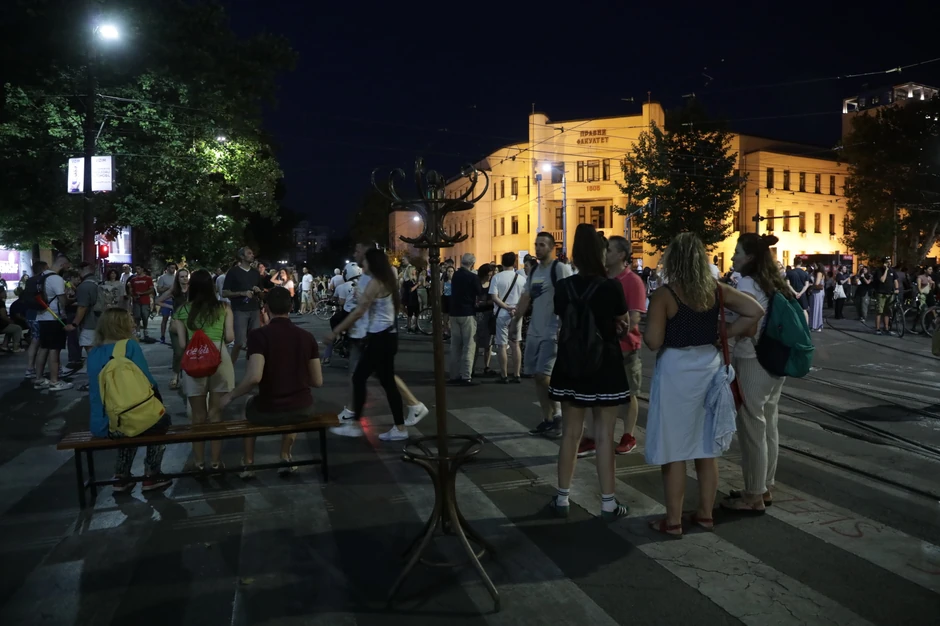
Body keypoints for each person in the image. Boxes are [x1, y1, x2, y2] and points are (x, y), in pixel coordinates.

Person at [643, 232, 763, 537]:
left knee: (674, 450)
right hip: (709, 369)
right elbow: (755, 311)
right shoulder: (715, 290)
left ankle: (673, 521)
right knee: (705, 447)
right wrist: (726, 333)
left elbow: (654, 342)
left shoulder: (665, 295)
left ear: (673, 260)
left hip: (676, 373)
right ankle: (706, 515)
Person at [547, 224, 630, 521]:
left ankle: (562, 499)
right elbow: (623, 321)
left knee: (570, 434)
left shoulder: (563, 287)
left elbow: (564, 320)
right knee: (605, 436)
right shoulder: (611, 287)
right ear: (599, 253)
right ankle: (608, 503)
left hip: (570, 364)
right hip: (604, 364)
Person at [219, 287, 323, 477]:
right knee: (295, 404)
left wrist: (230, 396)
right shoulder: (307, 337)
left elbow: (254, 378)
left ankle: (248, 463)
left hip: (269, 408)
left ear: (265, 308)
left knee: (248, 405)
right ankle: (285, 456)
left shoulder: (259, 336)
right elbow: (317, 381)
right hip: (302, 409)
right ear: (291, 307)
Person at [326, 248, 426, 441]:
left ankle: (356, 424)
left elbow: (358, 311)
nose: (362, 265)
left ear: (373, 264)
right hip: (387, 336)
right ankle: (401, 425)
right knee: (387, 382)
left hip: (379, 338)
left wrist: (335, 331)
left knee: (360, 378)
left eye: (366, 261)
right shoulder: (388, 282)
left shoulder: (375, 283)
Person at [721, 233, 790, 513]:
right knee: (768, 424)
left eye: (737, 252)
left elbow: (749, 325)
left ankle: (753, 496)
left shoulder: (748, 283)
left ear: (749, 257)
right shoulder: (773, 281)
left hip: (752, 359)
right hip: (774, 361)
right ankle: (765, 486)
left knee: (752, 428)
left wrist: (724, 334)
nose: (733, 256)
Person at [87, 308, 171, 493]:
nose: (133, 323)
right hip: (125, 421)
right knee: (156, 421)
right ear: (121, 325)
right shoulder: (128, 346)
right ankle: (151, 474)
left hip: (102, 423)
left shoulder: (93, 352)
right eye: (130, 320)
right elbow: (147, 380)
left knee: (129, 424)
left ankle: (121, 476)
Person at [175, 269, 235, 472]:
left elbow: (182, 343)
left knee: (198, 416)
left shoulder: (182, 310)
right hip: (219, 359)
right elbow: (229, 338)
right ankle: (216, 462)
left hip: (195, 361)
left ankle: (199, 462)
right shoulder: (224, 307)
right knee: (216, 414)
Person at [513, 232, 571, 436]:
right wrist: (515, 322)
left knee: (543, 375)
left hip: (551, 331)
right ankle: (547, 418)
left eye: (542, 245)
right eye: (536, 244)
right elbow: (526, 297)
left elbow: (569, 298)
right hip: (534, 332)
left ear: (552, 247)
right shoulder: (535, 270)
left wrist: (564, 326)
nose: (538, 248)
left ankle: (559, 415)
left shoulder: (560, 269)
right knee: (536, 377)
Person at [34, 255, 73, 391]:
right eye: (67, 267)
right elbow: (63, 301)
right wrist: (70, 298)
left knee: (43, 348)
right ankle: (54, 381)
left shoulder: (41, 276)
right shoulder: (56, 279)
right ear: (62, 265)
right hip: (54, 317)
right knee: (54, 350)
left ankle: (39, 379)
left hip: (41, 317)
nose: (67, 270)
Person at [447, 253, 483, 385]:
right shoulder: (473, 277)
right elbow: (479, 292)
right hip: (467, 312)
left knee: (455, 345)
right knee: (469, 345)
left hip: (454, 312)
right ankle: (466, 376)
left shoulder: (455, 275)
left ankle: (454, 375)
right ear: (472, 264)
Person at [222, 247, 262, 363]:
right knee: (239, 342)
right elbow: (224, 292)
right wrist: (241, 293)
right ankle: (230, 366)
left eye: (252, 253)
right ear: (242, 257)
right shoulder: (233, 272)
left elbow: (262, 293)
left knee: (255, 342)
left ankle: (252, 367)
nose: (252, 255)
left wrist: (258, 291)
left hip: (254, 309)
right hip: (239, 310)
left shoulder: (255, 273)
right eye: (249, 253)